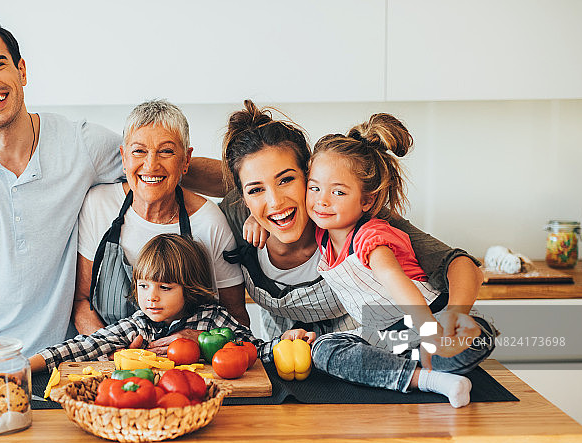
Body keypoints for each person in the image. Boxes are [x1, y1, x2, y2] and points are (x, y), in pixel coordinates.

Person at [0, 20, 225, 356]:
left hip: (60, 361)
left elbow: (154, 164)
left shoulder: (79, 143)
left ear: (21, 70)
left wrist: (254, 190)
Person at [281, 113, 497, 407]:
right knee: (324, 350)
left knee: (457, 348)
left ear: (367, 200)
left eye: (338, 192)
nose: (322, 200)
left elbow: (398, 285)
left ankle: (459, 347)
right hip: (389, 340)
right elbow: (275, 206)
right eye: (315, 187)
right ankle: (431, 381)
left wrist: (431, 334)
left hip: (429, 323)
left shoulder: (372, 236)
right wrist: (254, 223)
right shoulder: (323, 232)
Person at [73, 100, 249, 350]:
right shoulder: (98, 205)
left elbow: (239, 322)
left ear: (186, 160)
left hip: (189, 368)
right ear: (124, 157)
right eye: (139, 151)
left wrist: (198, 339)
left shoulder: (209, 223)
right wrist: (116, 354)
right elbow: (81, 302)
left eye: (166, 151)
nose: (151, 165)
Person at [30, 234, 260, 372]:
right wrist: (25, 366)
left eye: (165, 287)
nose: (151, 297)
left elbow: (256, 350)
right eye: (143, 286)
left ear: (189, 289)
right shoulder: (139, 325)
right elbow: (85, 346)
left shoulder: (213, 318)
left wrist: (286, 342)